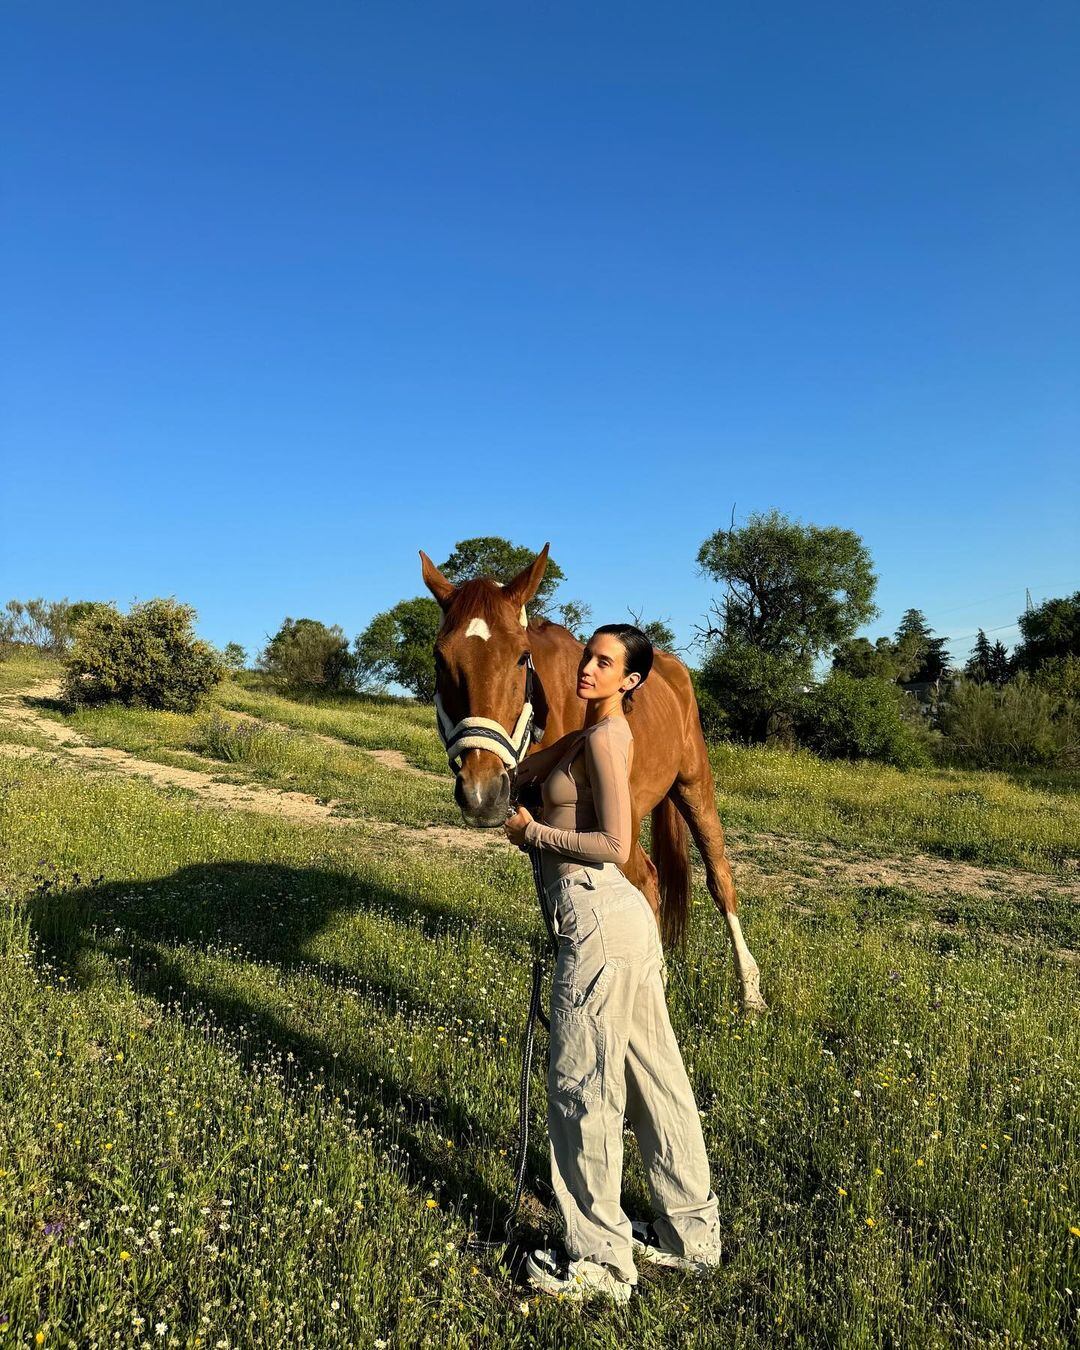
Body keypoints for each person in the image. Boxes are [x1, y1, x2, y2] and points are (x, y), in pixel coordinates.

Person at [503, 624, 722, 1304]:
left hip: (598, 917)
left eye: (605, 663)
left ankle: (601, 1262)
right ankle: (693, 1239)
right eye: (588, 657)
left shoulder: (607, 737)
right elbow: (525, 771)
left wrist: (534, 832)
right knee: (658, 1083)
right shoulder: (579, 735)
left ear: (630, 680)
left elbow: (615, 841)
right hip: (620, 924)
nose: (588, 669)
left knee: (582, 1089)